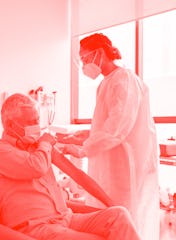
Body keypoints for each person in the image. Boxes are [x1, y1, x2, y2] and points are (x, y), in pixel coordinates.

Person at [0, 93, 141, 240]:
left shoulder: (38, 147)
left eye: (37, 121)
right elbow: (36, 167)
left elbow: (77, 174)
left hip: (67, 217)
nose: (37, 127)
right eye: (30, 122)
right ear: (10, 125)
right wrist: (45, 143)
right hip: (36, 226)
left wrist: (111, 203)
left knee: (119, 215)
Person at [58, 33, 160, 240]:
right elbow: (105, 126)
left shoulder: (125, 80)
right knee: (110, 215)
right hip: (112, 164)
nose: (85, 64)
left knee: (127, 216)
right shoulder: (106, 83)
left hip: (128, 165)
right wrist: (78, 137)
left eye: (86, 58)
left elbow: (117, 128)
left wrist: (82, 149)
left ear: (100, 53)